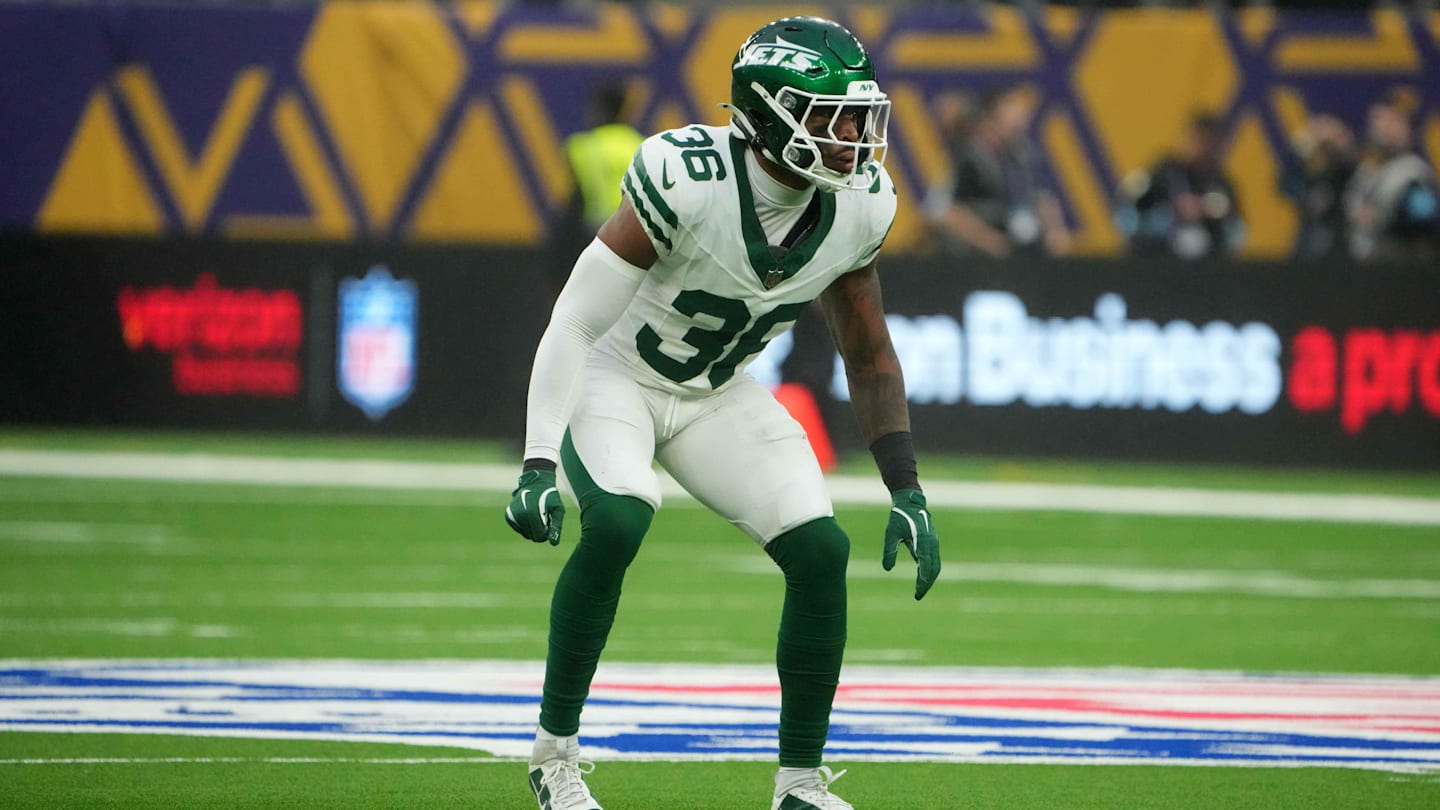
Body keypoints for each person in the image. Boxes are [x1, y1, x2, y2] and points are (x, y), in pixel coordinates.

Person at [504, 16, 941, 810]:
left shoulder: (860, 205)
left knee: (819, 552)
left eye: (858, 115)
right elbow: (572, 319)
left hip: (718, 392)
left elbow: (868, 351)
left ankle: (799, 784)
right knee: (622, 519)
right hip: (617, 377)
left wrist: (904, 485)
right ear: (772, 113)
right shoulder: (687, 173)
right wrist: (537, 459)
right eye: (832, 114)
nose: (853, 135)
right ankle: (553, 756)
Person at [925, 84, 1071, 259]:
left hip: (1023, 246)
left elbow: (1042, 197)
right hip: (979, 254)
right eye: (1012, 108)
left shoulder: (1023, 154)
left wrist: (1055, 232)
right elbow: (941, 211)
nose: (1021, 117)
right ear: (991, 116)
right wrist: (989, 240)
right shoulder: (964, 157)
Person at [1117, 112, 1245, 260]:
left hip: (1207, 263)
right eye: (1199, 141)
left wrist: (1209, 211)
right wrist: (1172, 210)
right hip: (1159, 257)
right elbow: (1132, 208)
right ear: (1187, 139)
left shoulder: (1221, 182)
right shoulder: (1163, 173)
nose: (1203, 149)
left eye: (1210, 144)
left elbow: (1236, 227)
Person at [1344, 89, 1439, 263]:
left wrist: (1381, 220)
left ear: (1408, 129)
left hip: (1404, 268)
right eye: (1378, 121)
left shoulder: (1414, 172)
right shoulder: (1365, 171)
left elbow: (1423, 219)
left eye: (1393, 121)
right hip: (1365, 268)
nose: (1383, 129)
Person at [1279, 113, 1358, 260]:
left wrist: (1341, 142)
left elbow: (1352, 167)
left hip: (1341, 239)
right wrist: (1303, 146)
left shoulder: (1347, 170)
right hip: (1309, 236)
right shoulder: (1313, 171)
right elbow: (1285, 185)